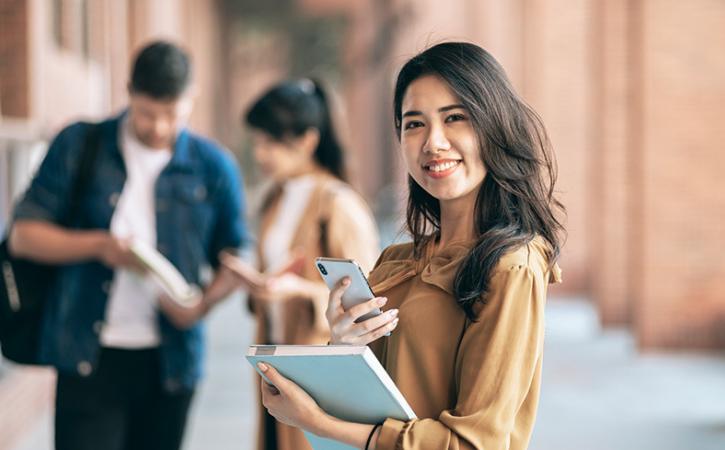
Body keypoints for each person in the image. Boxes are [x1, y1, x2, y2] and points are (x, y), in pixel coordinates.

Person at [252, 42, 565, 450]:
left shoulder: (511, 267)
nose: (433, 142)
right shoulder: (397, 261)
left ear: (494, 126)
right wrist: (343, 346)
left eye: (455, 118)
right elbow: (372, 402)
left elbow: (475, 443)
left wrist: (321, 424)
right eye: (414, 124)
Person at [9, 41, 247, 450]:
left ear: (192, 98)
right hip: (89, 355)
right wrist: (100, 247)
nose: (158, 127)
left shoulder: (213, 165)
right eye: (146, 113)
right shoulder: (80, 145)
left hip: (170, 364)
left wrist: (203, 305)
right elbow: (23, 237)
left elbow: (235, 254)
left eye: (171, 114)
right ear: (129, 92)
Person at [220, 78, 380, 450]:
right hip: (277, 361)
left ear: (308, 140)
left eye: (271, 142)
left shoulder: (338, 204)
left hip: (319, 368)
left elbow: (371, 299)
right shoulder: (275, 198)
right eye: (257, 141)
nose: (261, 154)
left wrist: (298, 291)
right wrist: (261, 285)